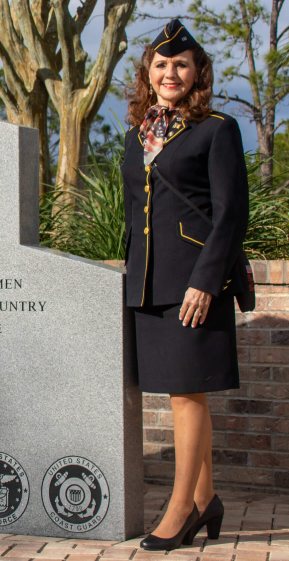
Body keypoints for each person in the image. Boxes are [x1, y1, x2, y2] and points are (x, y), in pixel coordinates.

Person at [122, 20, 249, 550]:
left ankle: (180, 512)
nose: (169, 72)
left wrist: (207, 281)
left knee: (185, 395)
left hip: (194, 282)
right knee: (182, 391)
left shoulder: (218, 129)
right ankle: (206, 499)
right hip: (149, 284)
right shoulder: (137, 135)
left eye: (180, 64)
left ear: (197, 73)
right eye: (160, 64)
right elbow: (134, 214)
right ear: (147, 76)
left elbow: (231, 213)